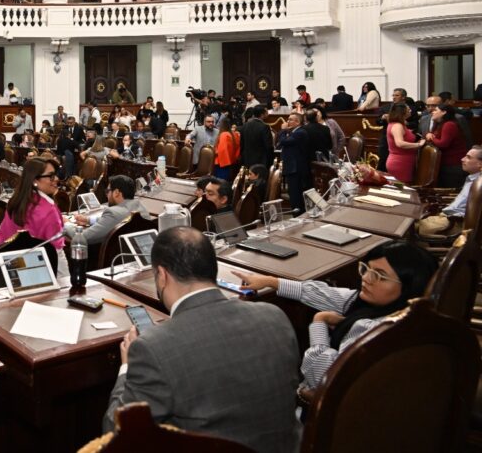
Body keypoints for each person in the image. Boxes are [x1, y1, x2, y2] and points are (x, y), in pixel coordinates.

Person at [105, 227, 300, 452]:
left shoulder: (153, 348)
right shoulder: (275, 316)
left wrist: (126, 369)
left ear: (162, 276)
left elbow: (115, 435)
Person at [238, 241, 437, 390]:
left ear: (410, 287)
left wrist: (319, 322)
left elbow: (321, 378)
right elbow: (324, 293)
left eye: (379, 275)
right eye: (366, 269)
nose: (366, 279)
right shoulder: (401, 314)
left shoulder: (369, 329)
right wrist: (272, 282)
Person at [0, 157, 65, 253]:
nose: (56, 179)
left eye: (55, 175)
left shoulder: (16, 201)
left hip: (5, 262)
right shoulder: (49, 210)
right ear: (34, 180)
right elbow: (58, 252)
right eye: (51, 176)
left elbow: (2, 238)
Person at [67, 175, 150, 245]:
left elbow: (82, 237)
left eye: (108, 191)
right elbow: (115, 220)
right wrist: (88, 220)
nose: (106, 195)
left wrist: (65, 224)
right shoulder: (140, 207)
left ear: (116, 193)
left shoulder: (113, 213)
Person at [426, 104, 468, 188]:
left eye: (436, 110)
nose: (432, 112)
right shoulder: (439, 124)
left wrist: (431, 138)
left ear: (444, 112)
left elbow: (443, 144)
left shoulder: (449, 125)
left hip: (453, 165)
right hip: (444, 164)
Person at [277, 112, 311, 215]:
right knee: (293, 194)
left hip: (296, 168)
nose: (288, 121)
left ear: (297, 122)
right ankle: (297, 214)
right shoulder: (295, 132)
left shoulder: (300, 132)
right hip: (293, 167)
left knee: (295, 194)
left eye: (290, 119)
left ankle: (298, 215)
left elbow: (284, 142)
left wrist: (283, 130)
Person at [384, 102, 424, 184]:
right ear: (402, 112)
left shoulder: (399, 124)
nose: (410, 110)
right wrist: (418, 145)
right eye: (408, 109)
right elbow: (400, 143)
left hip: (404, 161)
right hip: (400, 163)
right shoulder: (397, 125)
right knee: (402, 189)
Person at [240, 106, 274, 170]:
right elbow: (268, 146)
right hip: (261, 161)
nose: (268, 114)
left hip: (247, 160)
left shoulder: (245, 125)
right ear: (262, 115)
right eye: (266, 112)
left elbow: (242, 144)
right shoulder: (264, 127)